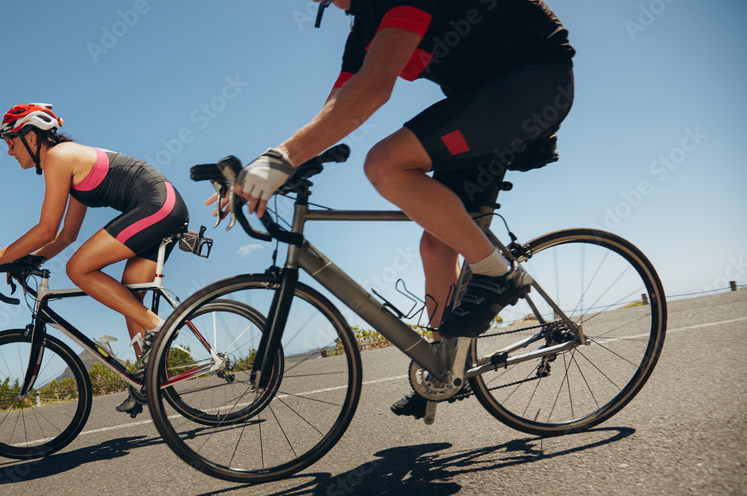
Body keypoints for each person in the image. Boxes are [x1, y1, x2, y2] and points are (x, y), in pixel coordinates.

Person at [229, 0, 575, 417]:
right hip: (483, 99)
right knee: (436, 243)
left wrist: (281, 159)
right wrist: (279, 166)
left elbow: (375, 87)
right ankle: (443, 367)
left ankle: (500, 274)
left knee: (385, 163)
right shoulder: (363, 29)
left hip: (533, 83)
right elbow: (340, 101)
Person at [0, 103, 190, 416]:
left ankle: (159, 328)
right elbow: (65, 235)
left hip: (158, 205)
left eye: (10, 142)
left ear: (31, 138)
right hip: (162, 206)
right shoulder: (70, 164)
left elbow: (46, 229)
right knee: (130, 295)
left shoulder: (59, 156)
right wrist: (25, 262)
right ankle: (146, 380)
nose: (8, 151)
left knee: (78, 268)